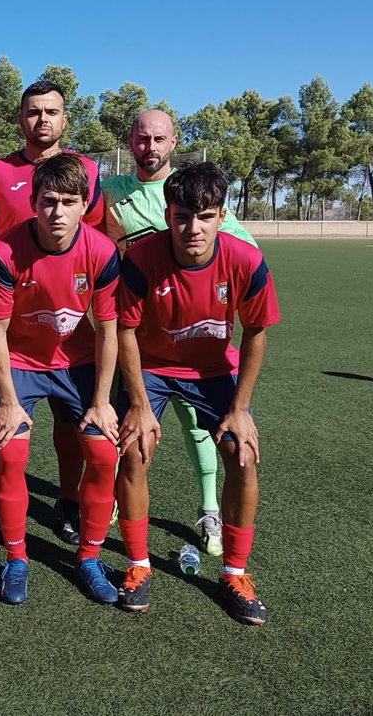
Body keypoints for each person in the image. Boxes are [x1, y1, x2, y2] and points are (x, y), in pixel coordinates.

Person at [113, 162, 279, 625]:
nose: (193, 228)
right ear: (168, 215)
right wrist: (141, 408)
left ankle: (235, 573)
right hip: (150, 367)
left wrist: (241, 409)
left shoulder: (245, 260)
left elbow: (257, 331)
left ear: (221, 216)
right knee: (134, 449)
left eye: (204, 216)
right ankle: (138, 566)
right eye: (183, 216)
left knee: (241, 452)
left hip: (210, 372)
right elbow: (125, 331)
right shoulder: (142, 259)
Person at [101, 109, 256, 556]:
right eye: (142, 138)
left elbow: (241, 251)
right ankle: (116, 503)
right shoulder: (110, 193)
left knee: (200, 430)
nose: (150, 146)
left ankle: (209, 511)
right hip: (140, 342)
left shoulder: (196, 195)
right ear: (129, 141)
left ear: (174, 142)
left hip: (198, 343)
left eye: (159, 138)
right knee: (130, 433)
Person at [0, 153, 121, 605]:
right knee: (11, 449)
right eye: (47, 201)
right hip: (21, 362)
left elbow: (107, 332)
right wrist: (6, 399)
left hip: (77, 364)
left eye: (68, 201)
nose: (56, 212)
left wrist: (101, 401)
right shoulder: (4, 252)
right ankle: (18, 558)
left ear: (85, 205)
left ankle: (89, 557)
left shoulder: (101, 252)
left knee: (102, 452)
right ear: (34, 203)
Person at [0, 79, 105, 547]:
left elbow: (101, 238)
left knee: (72, 428)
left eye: (52, 112)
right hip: (13, 321)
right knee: (5, 427)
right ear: (21, 118)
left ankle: (68, 502)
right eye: (33, 112)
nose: (42, 119)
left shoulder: (88, 170)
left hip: (70, 328)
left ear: (64, 119)